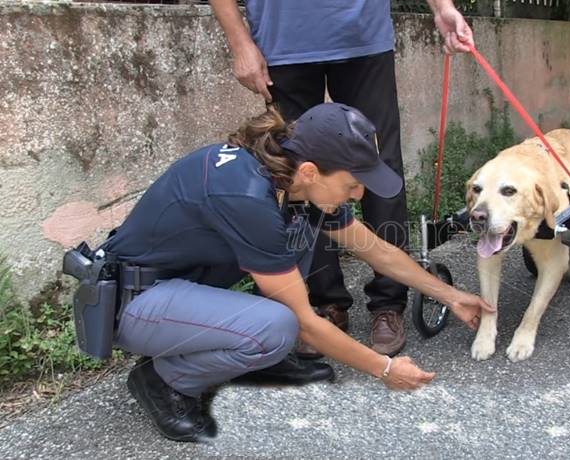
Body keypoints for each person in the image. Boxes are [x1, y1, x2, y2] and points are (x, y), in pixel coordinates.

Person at [95, 103, 493, 442]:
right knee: (279, 325)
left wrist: (451, 295)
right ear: (309, 171)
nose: (359, 195)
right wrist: (385, 369)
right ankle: (163, 379)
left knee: (299, 240)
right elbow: (304, 323)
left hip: (184, 290)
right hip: (138, 303)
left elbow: (377, 250)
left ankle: (253, 355)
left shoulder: (294, 182)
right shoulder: (246, 195)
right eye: (353, 184)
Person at [209, 0, 475, 358]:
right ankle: (326, 302)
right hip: (282, 40)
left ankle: (388, 303)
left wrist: (442, 7)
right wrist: (240, 41)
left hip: (363, 35)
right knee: (300, 176)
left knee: (379, 167)